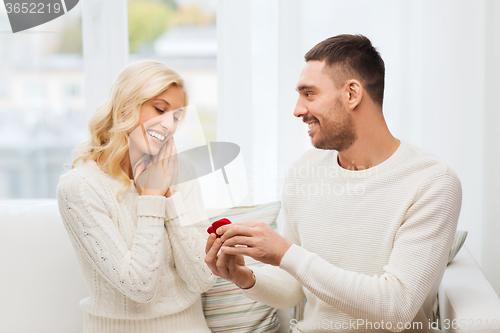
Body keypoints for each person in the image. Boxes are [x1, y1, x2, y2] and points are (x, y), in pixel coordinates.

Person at [205, 34, 462, 332]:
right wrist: (245, 277)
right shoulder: (303, 171)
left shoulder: (432, 182)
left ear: (352, 94)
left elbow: (396, 307)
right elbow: (294, 287)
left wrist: (285, 253)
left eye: (309, 94)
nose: (298, 110)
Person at [57, 60, 216, 333]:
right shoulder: (79, 187)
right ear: (126, 107)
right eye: (159, 109)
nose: (169, 125)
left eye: (176, 116)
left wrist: (170, 197)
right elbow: (140, 287)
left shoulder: (181, 170)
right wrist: (152, 197)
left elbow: (203, 278)